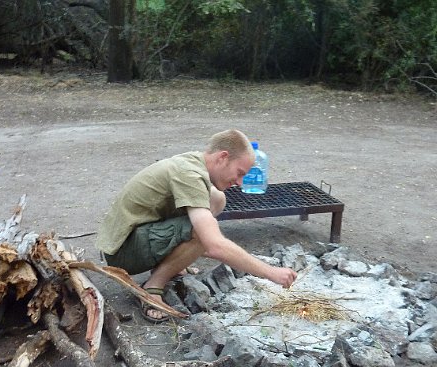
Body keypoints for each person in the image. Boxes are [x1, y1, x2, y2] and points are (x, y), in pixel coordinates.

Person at [96, 129, 297, 322]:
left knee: (217, 198)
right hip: (123, 252)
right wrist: (271, 272)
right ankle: (152, 287)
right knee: (203, 236)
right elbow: (214, 245)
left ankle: (170, 263)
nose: (240, 182)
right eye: (239, 173)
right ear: (222, 157)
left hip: (137, 234)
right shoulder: (189, 174)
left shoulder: (196, 162)